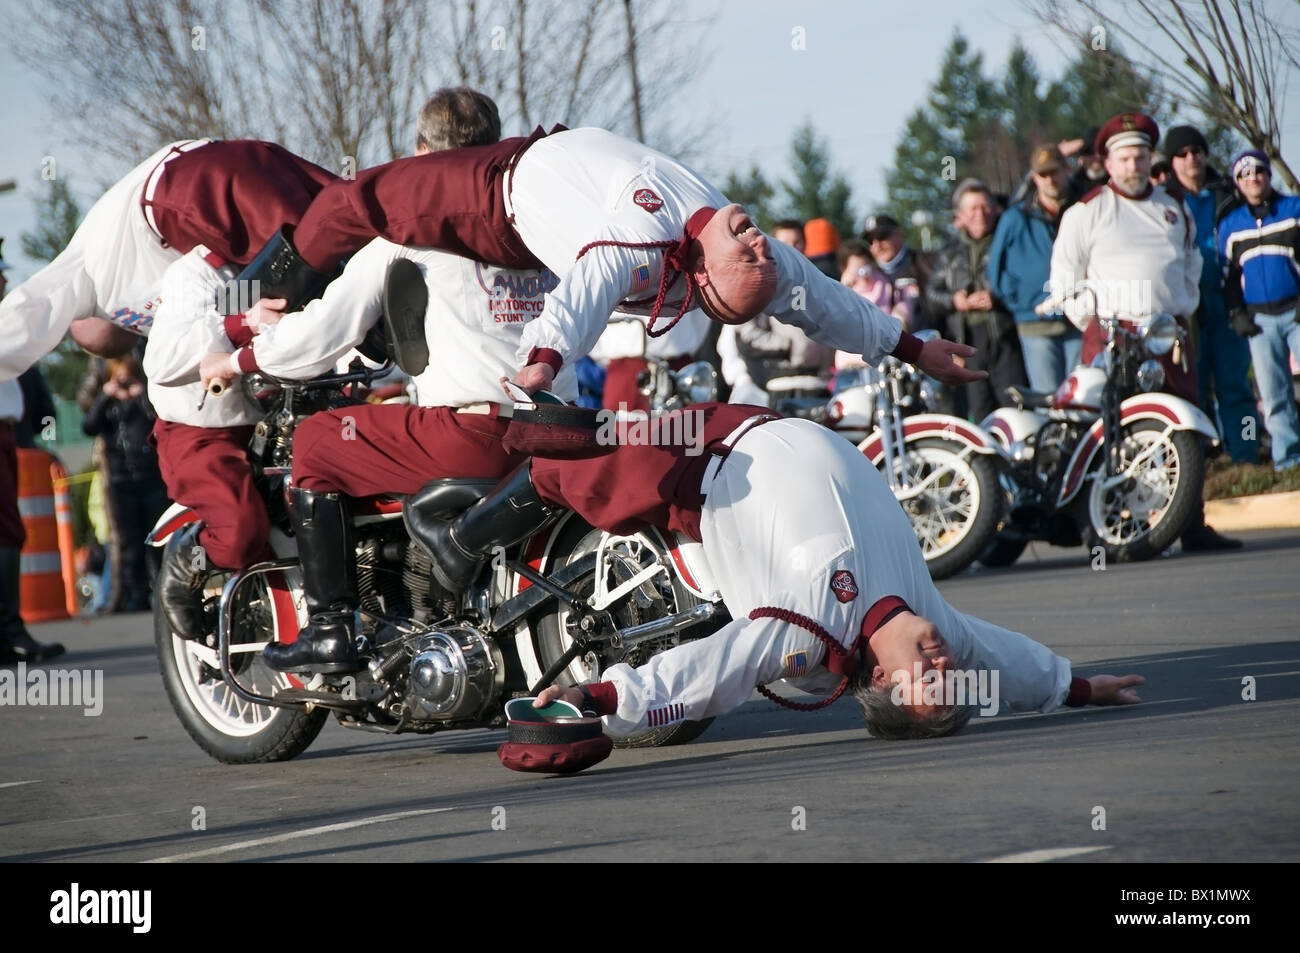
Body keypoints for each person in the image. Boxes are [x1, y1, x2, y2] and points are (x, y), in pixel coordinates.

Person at [505, 411, 1144, 741]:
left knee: (532, 449)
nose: (948, 666)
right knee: (558, 429)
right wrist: (1080, 689)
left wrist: (603, 699)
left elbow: (716, 673)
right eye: (956, 680)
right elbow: (1007, 665)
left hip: (698, 457)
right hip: (761, 416)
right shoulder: (932, 618)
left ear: (886, 679)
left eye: (932, 684)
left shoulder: (814, 635)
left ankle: (451, 545)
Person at [146, 87, 505, 647]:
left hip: (304, 414)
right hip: (208, 427)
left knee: (323, 447)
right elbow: (163, 358)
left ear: (418, 150)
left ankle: (339, 625)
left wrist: (255, 351)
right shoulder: (195, 279)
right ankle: (205, 566)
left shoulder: (368, 247)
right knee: (241, 524)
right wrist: (240, 329)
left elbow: (327, 335)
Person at [272, 126, 985, 400]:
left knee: (360, 198)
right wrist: (916, 348)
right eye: (759, 249)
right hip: (540, 155)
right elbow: (829, 303)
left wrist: (544, 359)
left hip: (494, 201)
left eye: (749, 257)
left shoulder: (644, 240)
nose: (760, 244)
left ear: (703, 274)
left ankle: (262, 291)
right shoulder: (759, 257)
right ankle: (333, 305)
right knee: (344, 200)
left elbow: (585, 291)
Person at [1049, 112, 1240, 551]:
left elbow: (1192, 262)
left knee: (1184, 426)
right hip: (1113, 336)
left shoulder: (1172, 207)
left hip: (1168, 337)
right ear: (1109, 164)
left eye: (1140, 157)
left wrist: (1183, 307)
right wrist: (1092, 320)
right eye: (1125, 159)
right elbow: (1063, 275)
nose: (1134, 166)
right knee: (1112, 428)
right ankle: (1110, 526)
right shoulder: (1087, 209)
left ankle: (1191, 524)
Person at [0, 141, 339, 382]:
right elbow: (226, 304)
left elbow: (28, 310)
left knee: (322, 248)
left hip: (176, 195)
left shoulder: (84, 268)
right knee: (359, 229)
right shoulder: (165, 312)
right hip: (220, 200)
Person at [1164, 126, 1257, 464]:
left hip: (1229, 299)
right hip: (1187, 306)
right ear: (1172, 161)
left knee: (1237, 387)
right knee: (1192, 389)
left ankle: (1247, 449)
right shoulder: (1165, 201)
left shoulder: (1228, 194)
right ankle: (1198, 459)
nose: (1192, 159)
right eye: (1183, 153)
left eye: (1197, 151)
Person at [1218, 149, 1300, 471]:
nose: (1252, 179)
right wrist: (1235, 313)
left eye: (1258, 172)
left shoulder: (1293, 210)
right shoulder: (1231, 225)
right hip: (1260, 322)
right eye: (1244, 174)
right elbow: (1227, 277)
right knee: (1273, 394)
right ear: (1237, 182)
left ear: (1268, 174)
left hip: (1295, 312)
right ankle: (1288, 460)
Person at [927, 179, 1029, 422]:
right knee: (980, 412)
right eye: (973, 208)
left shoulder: (1008, 242)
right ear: (961, 215)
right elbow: (932, 294)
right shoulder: (950, 251)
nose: (980, 214)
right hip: (969, 342)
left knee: (1014, 409)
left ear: (995, 209)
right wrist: (955, 301)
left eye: (985, 207)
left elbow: (1025, 282)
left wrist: (998, 297)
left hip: (1006, 337)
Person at [988, 145, 1083, 394]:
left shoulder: (1085, 210)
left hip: (1080, 320)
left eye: (1055, 171)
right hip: (1035, 323)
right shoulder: (1015, 218)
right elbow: (996, 272)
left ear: (1067, 170)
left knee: (1083, 396)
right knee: (1047, 399)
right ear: (1033, 178)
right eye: (1043, 174)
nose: (1050, 179)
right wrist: (1024, 301)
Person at [80, 352, 170, 611]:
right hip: (121, 479)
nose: (124, 385)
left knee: (158, 540)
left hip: (152, 478)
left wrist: (142, 395)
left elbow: (159, 418)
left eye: (127, 379)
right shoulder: (109, 406)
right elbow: (89, 426)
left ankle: (161, 591)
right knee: (129, 543)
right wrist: (107, 396)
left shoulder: (145, 402)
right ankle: (134, 596)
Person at [0, 376, 65, 663]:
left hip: (20, 443)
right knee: (6, 528)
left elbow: (47, 414)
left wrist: (45, 443)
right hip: (16, 442)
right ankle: (9, 633)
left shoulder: (29, 369)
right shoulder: (22, 356)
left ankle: (9, 632)